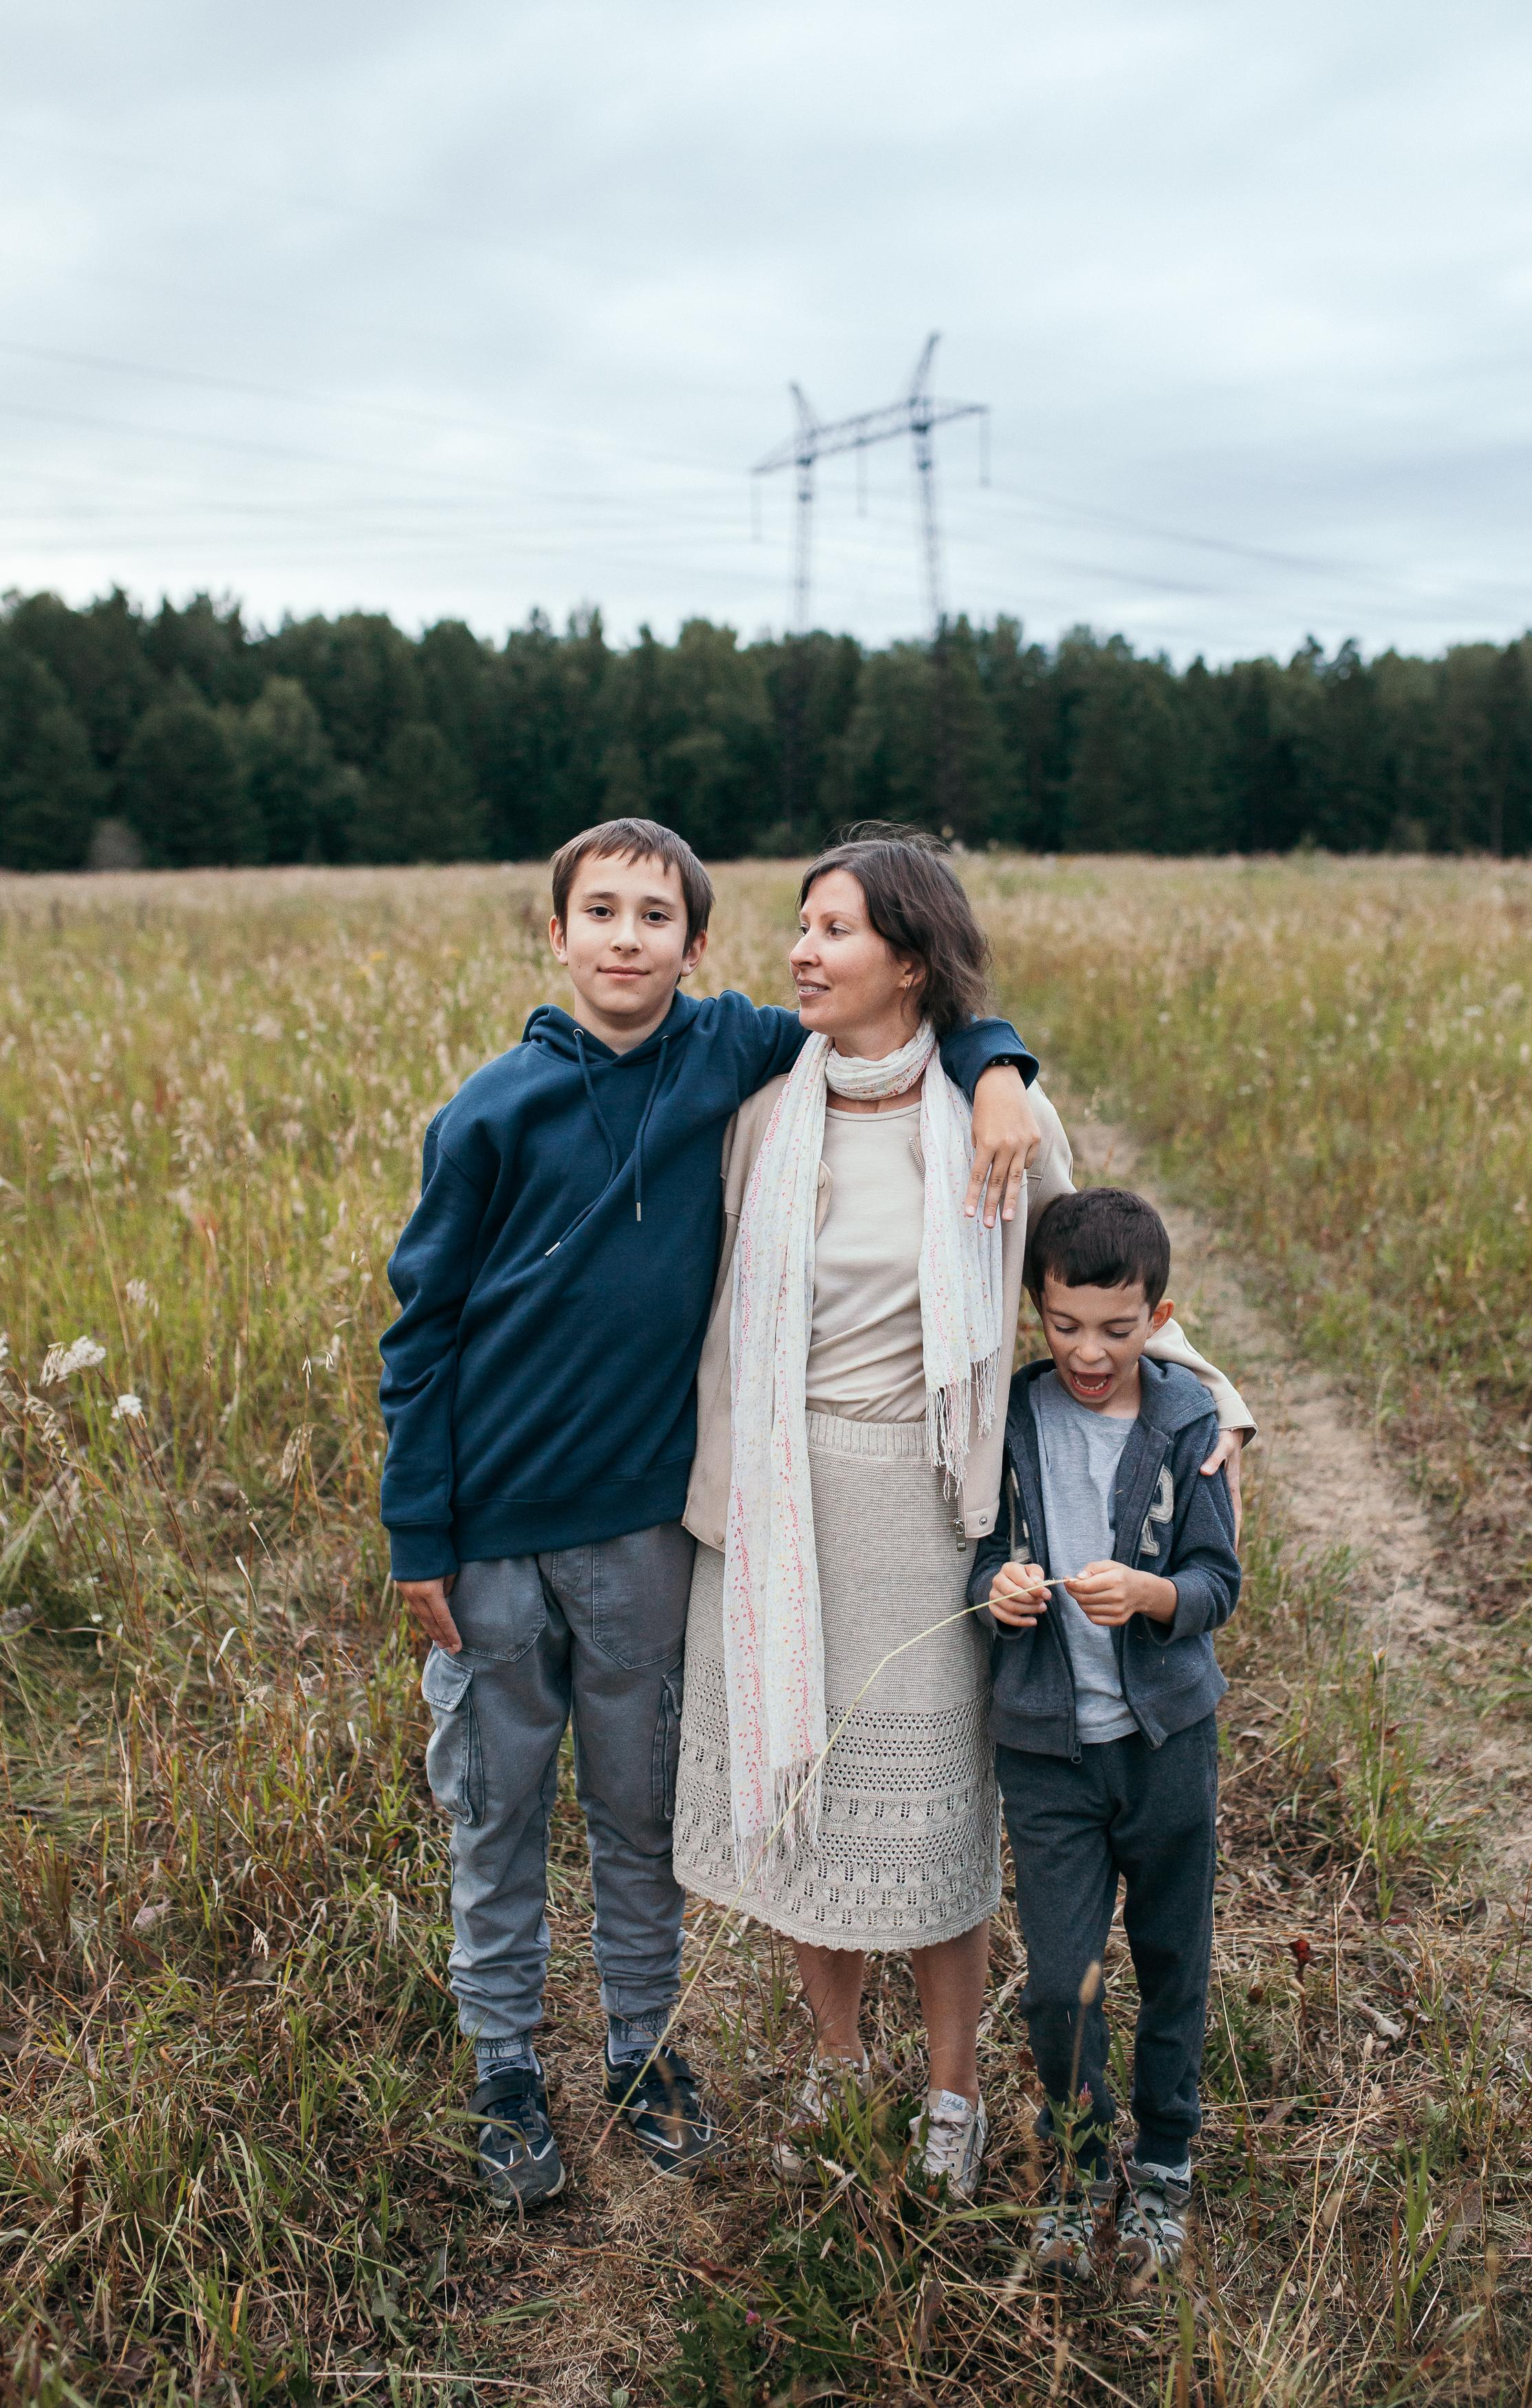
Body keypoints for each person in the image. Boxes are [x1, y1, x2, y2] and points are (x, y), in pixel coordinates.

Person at [378, 815, 1042, 2209]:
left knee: (714, 1814)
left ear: (694, 947)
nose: (626, 938)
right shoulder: (580, 1102)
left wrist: (997, 1066)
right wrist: (415, 1529)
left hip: (754, 1517)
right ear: (555, 934)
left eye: (656, 917)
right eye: (599, 913)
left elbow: (951, 1050)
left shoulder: (778, 1066)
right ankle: (519, 2068)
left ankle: (683, 2058)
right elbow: (422, 1324)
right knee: (531, 1813)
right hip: (610, 1523)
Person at [673, 831, 1254, 2201]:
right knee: (802, 1802)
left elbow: (1090, 1284)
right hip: (779, 1505)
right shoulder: (767, 1109)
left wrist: (1209, 1386)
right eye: (799, 926)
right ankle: (832, 2057)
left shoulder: (1003, 1116)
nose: (801, 952)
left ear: (913, 960)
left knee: (933, 1827)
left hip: (935, 1509)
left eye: (833, 930)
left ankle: (951, 2093)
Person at [971, 1185, 1241, 2281]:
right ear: (1036, 1309)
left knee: (1171, 1957)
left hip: (1166, 1743)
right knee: (1057, 1978)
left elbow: (1218, 1581)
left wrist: (1152, 1593)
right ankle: (1077, 2163)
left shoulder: (1185, 1423)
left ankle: (1164, 2160)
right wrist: (1001, 1589)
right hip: (1047, 1750)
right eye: (1064, 1324)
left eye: (1116, 1331)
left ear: (1157, 1317)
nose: (1088, 1351)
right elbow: (977, 1555)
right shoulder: (1012, 1419)